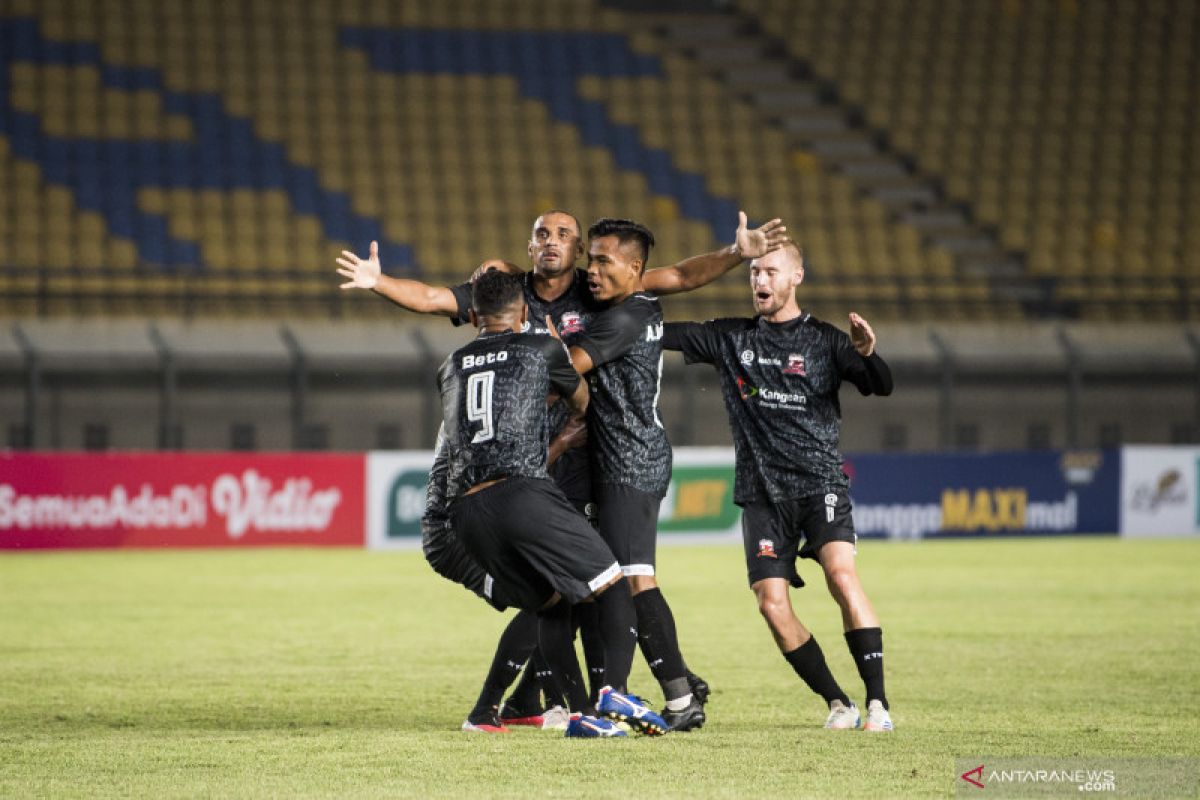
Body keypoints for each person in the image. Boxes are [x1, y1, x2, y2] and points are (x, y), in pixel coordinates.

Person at [337, 211, 787, 712]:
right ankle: (598, 694)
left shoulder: (595, 288)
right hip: (533, 462)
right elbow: (431, 298)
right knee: (576, 588)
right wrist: (378, 282)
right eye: (541, 234)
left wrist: (735, 253)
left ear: (576, 251)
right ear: (529, 247)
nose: (552, 242)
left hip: (598, 456)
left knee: (593, 585)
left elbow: (678, 276)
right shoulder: (507, 291)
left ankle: (584, 696)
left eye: (563, 236)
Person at [661, 242, 895, 731]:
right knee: (771, 603)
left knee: (841, 577)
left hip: (819, 486)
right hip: (762, 495)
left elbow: (880, 383)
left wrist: (868, 353)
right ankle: (839, 703)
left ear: (795, 278)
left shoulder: (826, 341)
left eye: (769, 271)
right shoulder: (731, 338)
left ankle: (878, 705)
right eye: (753, 273)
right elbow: (661, 334)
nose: (759, 280)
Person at [437, 270, 667, 737]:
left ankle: (581, 716)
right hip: (520, 490)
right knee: (612, 581)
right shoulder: (540, 347)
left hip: (466, 512)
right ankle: (614, 691)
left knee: (551, 604)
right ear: (523, 312)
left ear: (475, 314)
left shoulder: (449, 364)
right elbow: (581, 401)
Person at [556, 218, 705, 731]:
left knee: (632, 580)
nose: (591, 271)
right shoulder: (635, 306)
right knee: (618, 580)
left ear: (634, 269)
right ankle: (676, 683)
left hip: (629, 460)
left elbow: (568, 368)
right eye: (590, 259)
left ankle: (677, 697)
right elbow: (680, 277)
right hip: (625, 457)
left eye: (603, 261)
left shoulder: (623, 321)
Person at [422, 421, 585, 733]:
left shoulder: (481, 394)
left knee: (556, 594)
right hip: (454, 534)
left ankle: (526, 702)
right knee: (546, 598)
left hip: (470, 523)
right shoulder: (484, 409)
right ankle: (488, 710)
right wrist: (562, 443)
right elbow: (500, 476)